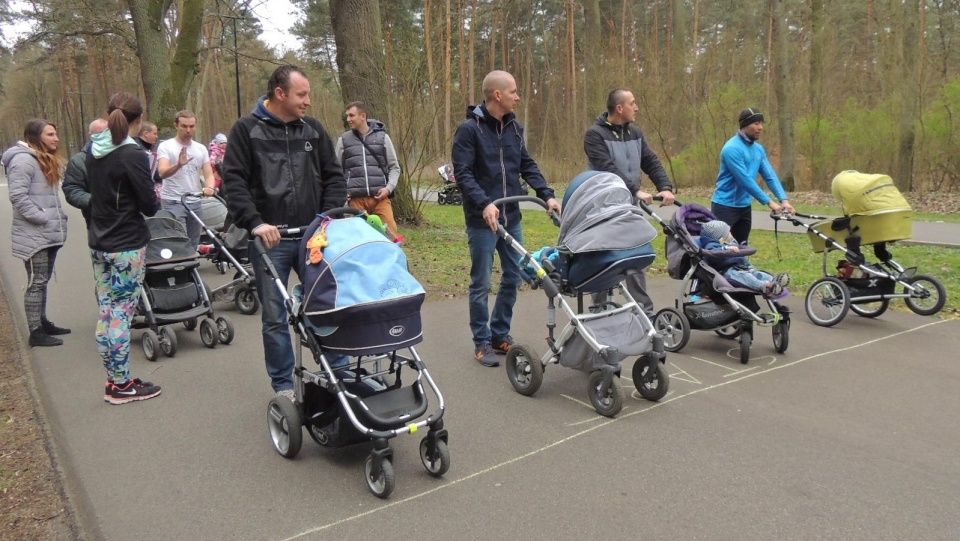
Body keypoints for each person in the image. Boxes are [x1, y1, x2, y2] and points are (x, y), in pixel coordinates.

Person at [221, 65, 346, 400]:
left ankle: (340, 373)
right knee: (275, 317)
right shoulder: (246, 131)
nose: (308, 101)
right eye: (302, 94)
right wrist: (255, 222)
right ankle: (284, 387)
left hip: (313, 237)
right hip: (270, 240)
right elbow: (233, 182)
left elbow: (334, 177)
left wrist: (328, 217)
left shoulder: (314, 130)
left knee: (327, 305)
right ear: (280, 94)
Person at [452, 69, 562, 368]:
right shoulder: (469, 130)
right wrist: (484, 203)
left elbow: (526, 164)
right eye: (513, 91)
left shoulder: (515, 128)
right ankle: (481, 341)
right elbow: (462, 173)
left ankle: (500, 333)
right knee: (481, 282)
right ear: (497, 95)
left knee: (514, 277)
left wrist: (547, 194)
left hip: (510, 216)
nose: (518, 96)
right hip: (482, 220)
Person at [85, 92, 162, 404]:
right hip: (126, 245)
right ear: (138, 120)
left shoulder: (94, 148)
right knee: (121, 316)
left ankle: (114, 380)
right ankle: (122, 386)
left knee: (107, 313)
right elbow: (149, 205)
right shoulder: (132, 153)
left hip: (99, 241)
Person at [583, 88, 676, 317]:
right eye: (633, 103)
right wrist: (635, 190)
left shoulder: (635, 132)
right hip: (603, 209)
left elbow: (650, 160)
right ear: (619, 108)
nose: (637, 108)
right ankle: (600, 310)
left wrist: (664, 186)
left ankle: (644, 312)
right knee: (605, 259)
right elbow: (607, 169)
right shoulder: (594, 135)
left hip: (630, 208)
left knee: (636, 257)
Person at [1, 119, 71, 347]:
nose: (56, 138)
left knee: (43, 280)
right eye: (50, 134)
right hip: (34, 234)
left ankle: (41, 322)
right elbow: (18, 197)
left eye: (55, 133)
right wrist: (43, 218)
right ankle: (35, 332)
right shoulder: (23, 161)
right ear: (36, 137)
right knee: (36, 281)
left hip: (47, 233)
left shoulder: (41, 160)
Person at [711, 107, 795, 244]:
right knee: (715, 246)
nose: (760, 128)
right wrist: (769, 202)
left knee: (741, 246)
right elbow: (745, 180)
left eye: (762, 123)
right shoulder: (731, 149)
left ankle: (740, 266)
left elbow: (770, 176)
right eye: (756, 124)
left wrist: (783, 200)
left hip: (744, 207)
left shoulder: (758, 149)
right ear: (744, 125)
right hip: (725, 206)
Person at [334, 101, 401, 240]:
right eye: (347, 116)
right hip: (355, 201)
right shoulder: (344, 140)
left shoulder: (383, 138)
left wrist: (388, 189)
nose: (348, 119)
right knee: (355, 241)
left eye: (351, 116)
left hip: (380, 199)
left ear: (363, 116)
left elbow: (394, 167)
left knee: (392, 237)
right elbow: (335, 171)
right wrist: (342, 193)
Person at [157, 110, 216, 249]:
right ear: (176, 126)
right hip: (173, 201)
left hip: (194, 201)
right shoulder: (166, 146)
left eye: (191, 126)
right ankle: (180, 270)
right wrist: (178, 165)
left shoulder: (200, 148)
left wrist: (210, 187)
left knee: (193, 242)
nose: (188, 130)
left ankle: (192, 269)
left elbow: (209, 174)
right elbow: (162, 172)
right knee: (179, 242)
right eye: (184, 126)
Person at [697, 220, 790, 298]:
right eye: (728, 233)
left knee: (757, 274)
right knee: (747, 278)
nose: (731, 234)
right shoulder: (712, 245)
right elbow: (712, 252)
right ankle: (764, 286)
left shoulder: (730, 242)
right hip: (728, 272)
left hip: (742, 267)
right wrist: (725, 248)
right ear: (721, 238)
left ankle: (774, 280)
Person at [63, 118, 109, 226]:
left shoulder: (121, 154)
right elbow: (72, 190)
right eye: (100, 133)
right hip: (97, 222)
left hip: (126, 221)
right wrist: (95, 201)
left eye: (108, 133)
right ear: (90, 135)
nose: (105, 137)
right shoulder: (78, 161)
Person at [133, 121, 162, 202]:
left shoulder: (145, 148)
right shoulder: (142, 152)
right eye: (154, 134)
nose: (157, 137)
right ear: (146, 133)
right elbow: (155, 174)